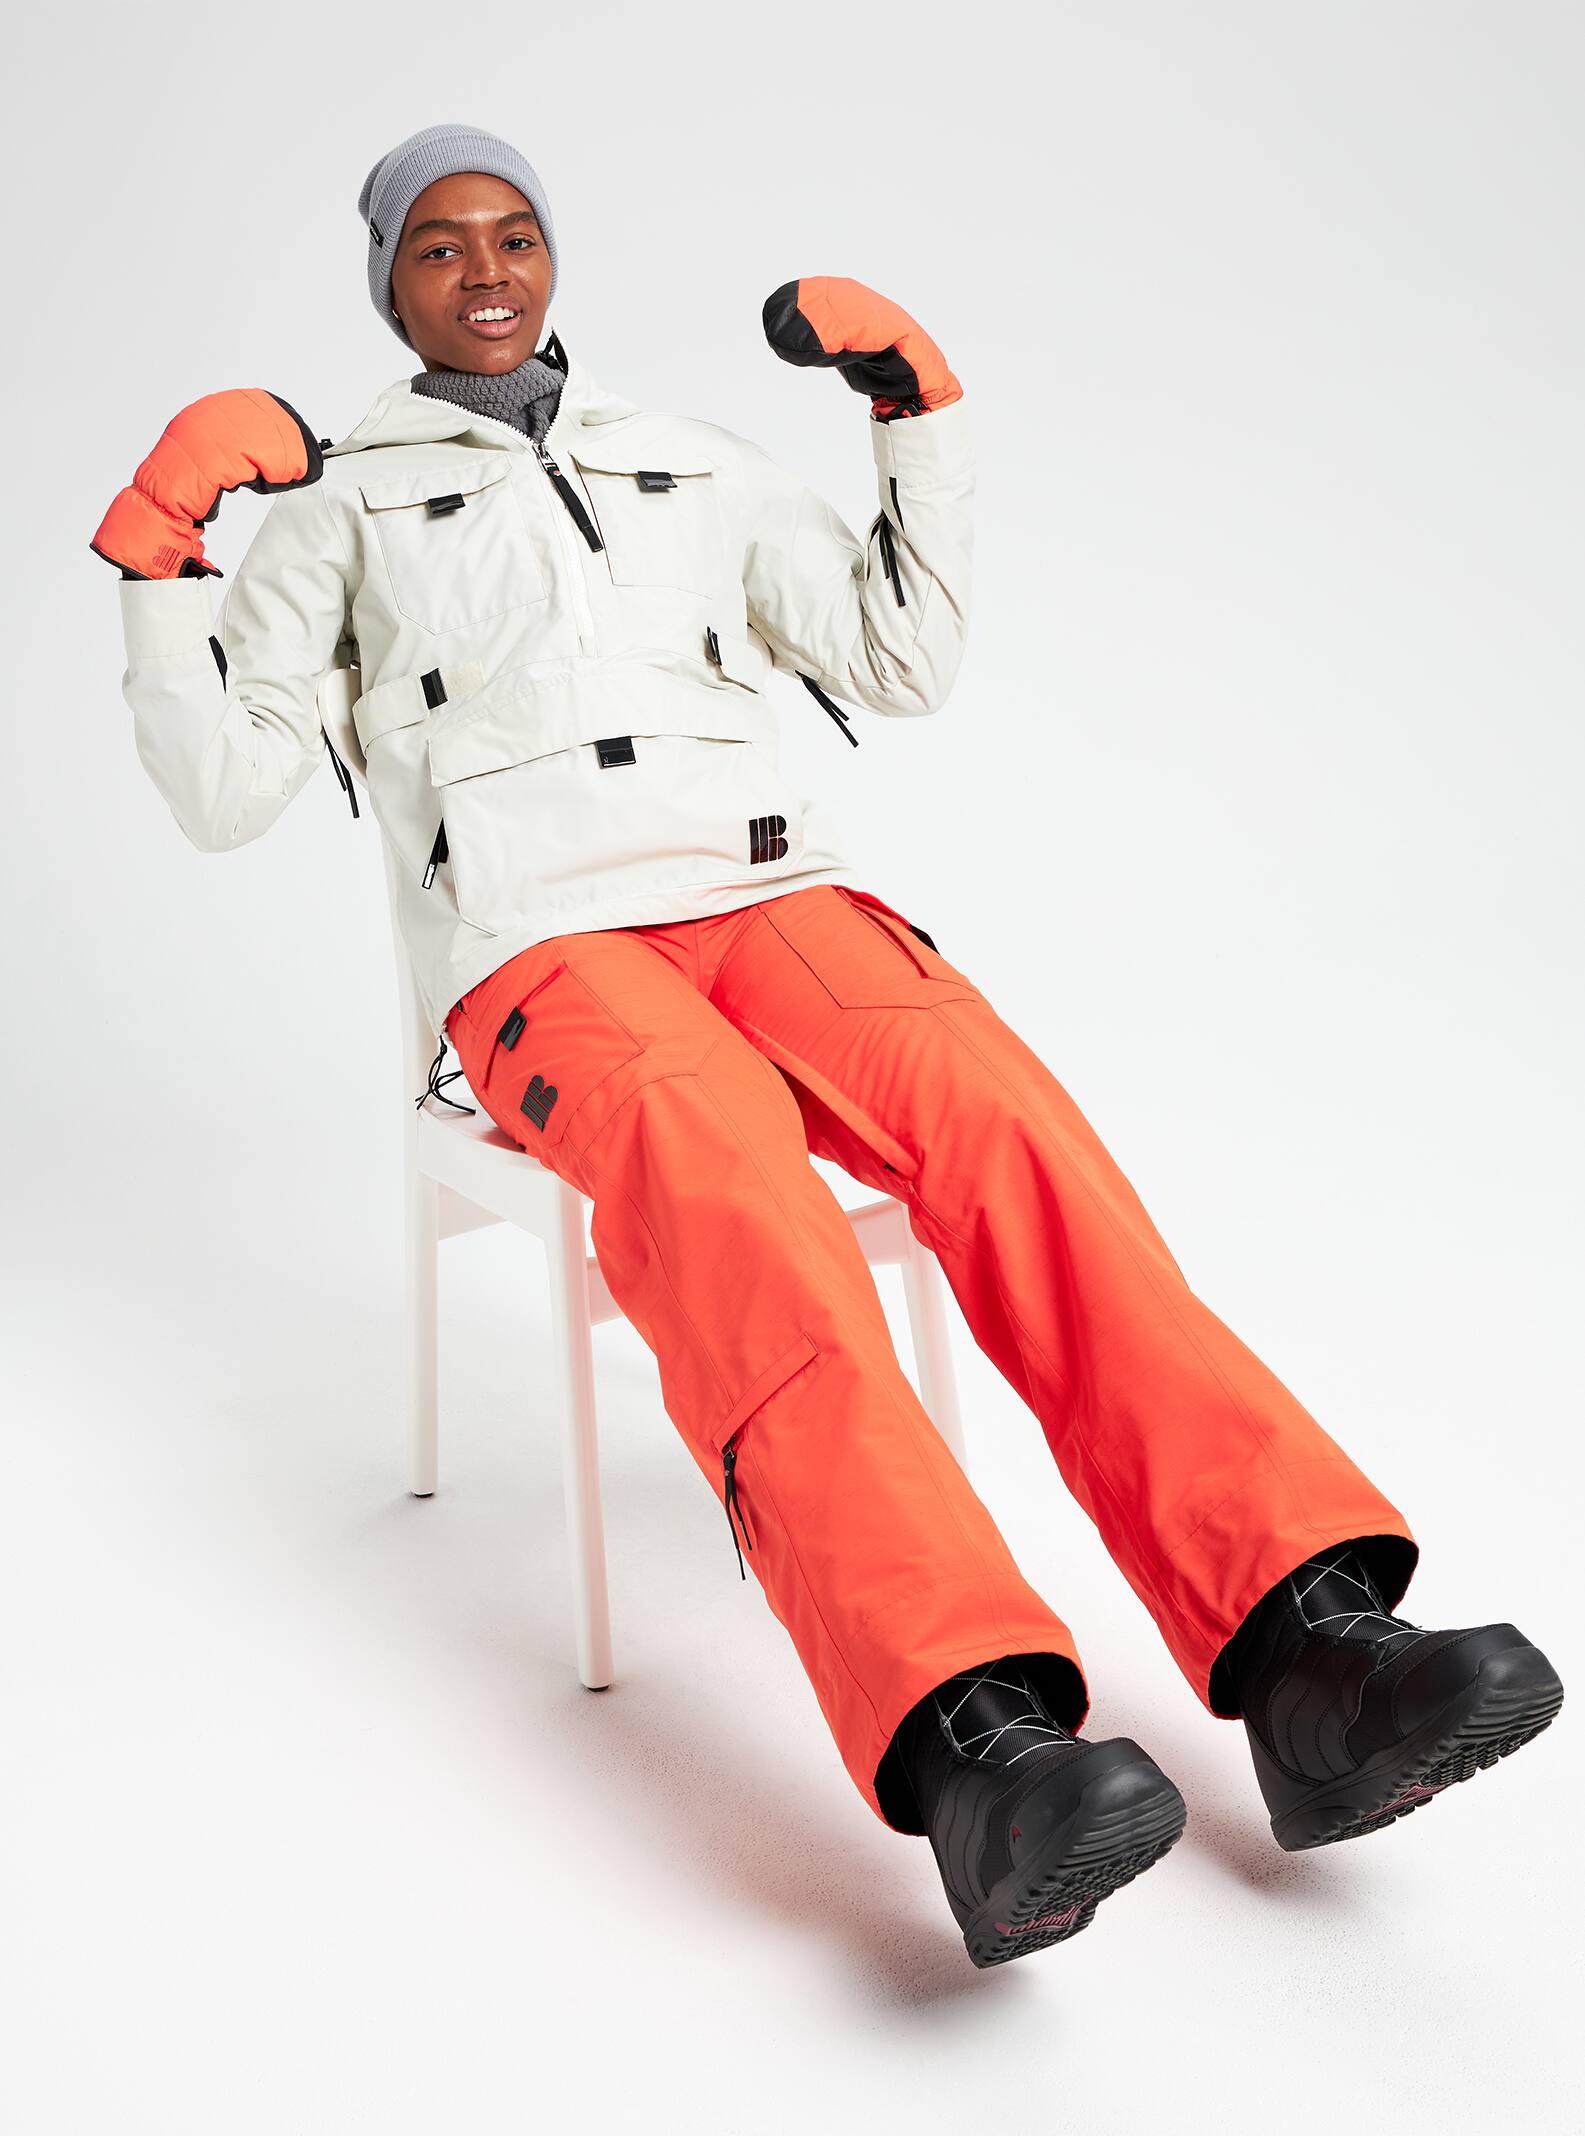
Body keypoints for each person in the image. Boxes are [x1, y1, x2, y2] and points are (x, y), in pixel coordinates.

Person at [91, 122, 1564, 1971]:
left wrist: (914, 420)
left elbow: (894, 659)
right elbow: (224, 793)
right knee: (730, 1189)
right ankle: (973, 1749)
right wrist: (159, 558)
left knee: (1007, 1127)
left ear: (554, 259)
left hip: (770, 895)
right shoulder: (335, 507)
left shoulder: (687, 460)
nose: (484, 271)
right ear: (386, 284)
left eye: (515, 235)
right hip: (542, 949)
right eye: (438, 246)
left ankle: (1309, 1647)